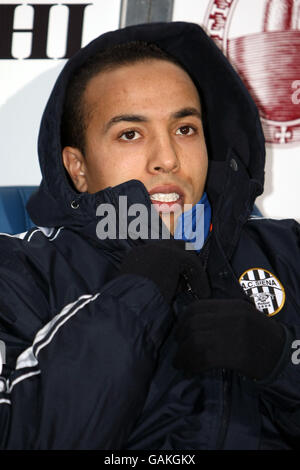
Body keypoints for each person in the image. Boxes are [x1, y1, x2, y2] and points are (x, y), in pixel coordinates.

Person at [0, 21, 299, 450]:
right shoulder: (18, 274)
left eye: (185, 129)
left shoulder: (287, 251)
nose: (167, 159)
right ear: (77, 168)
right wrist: (135, 299)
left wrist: (281, 360)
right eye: (130, 134)